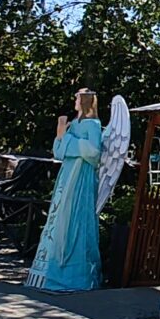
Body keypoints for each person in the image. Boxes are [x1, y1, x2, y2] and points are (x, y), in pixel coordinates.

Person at [25, 89, 102, 292]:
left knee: (74, 218)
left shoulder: (93, 124)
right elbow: (59, 153)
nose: (75, 100)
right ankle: (49, 268)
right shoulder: (74, 124)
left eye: (77, 97)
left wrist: (67, 141)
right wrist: (61, 134)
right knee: (59, 218)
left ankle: (74, 274)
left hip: (80, 177)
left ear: (85, 101)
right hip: (66, 175)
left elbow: (94, 152)